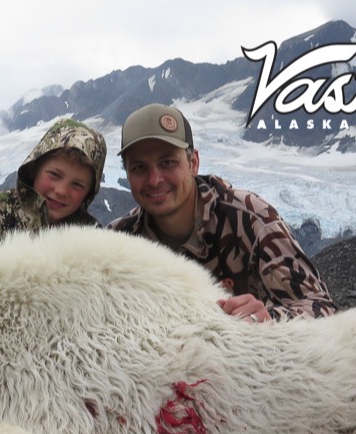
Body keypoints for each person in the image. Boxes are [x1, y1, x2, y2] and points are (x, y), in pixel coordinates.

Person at [109, 103, 337, 322]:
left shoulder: (252, 219)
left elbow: (322, 306)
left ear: (193, 163)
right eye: (139, 167)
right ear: (127, 174)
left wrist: (270, 319)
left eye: (167, 162)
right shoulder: (119, 241)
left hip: (249, 347)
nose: (154, 180)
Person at [0, 118, 107, 240]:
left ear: (88, 193)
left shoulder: (92, 237)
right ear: (34, 170)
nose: (61, 191)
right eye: (54, 175)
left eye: (77, 185)